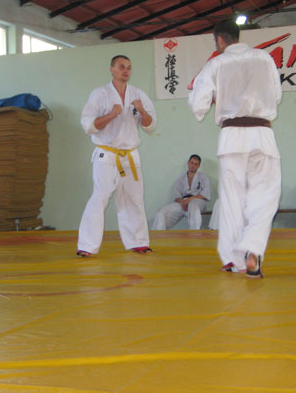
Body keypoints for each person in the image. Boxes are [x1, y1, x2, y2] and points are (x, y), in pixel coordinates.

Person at [188, 19, 282, 279]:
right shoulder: (264, 58)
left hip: (231, 137)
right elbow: (276, 96)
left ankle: (233, 259)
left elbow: (198, 106)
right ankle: (252, 247)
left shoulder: (216, 64)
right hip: (262, 134)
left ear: (220, 40)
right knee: (265, 196)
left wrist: (216, 97)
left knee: (232, 200)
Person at [77, 55, 157, 257]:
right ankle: (87, 245)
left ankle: (138, 242)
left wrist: (141, 110)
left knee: (134, 198)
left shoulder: (138, 94)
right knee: (100, 196)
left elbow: (150, 126)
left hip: (130, 155)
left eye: (129, 67)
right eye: (121, 67)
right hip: (106, 153)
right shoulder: (100, 94)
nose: (126, 70)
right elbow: (88, 125)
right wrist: (111, 115)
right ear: (112, 69)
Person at [152, 154, 211, 230]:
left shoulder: (203, 177)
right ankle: (158, 234)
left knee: (193, 206)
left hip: (198, 201)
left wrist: (190, 200)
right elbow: (177, 195)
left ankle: (194, 234)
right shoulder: (181, 179)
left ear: (198, 166)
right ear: (188, 163)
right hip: (183, 202)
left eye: (196, 164)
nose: (193, 166)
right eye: (192, 163)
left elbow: (204, 195)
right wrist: (182, 202)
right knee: (162, 212)